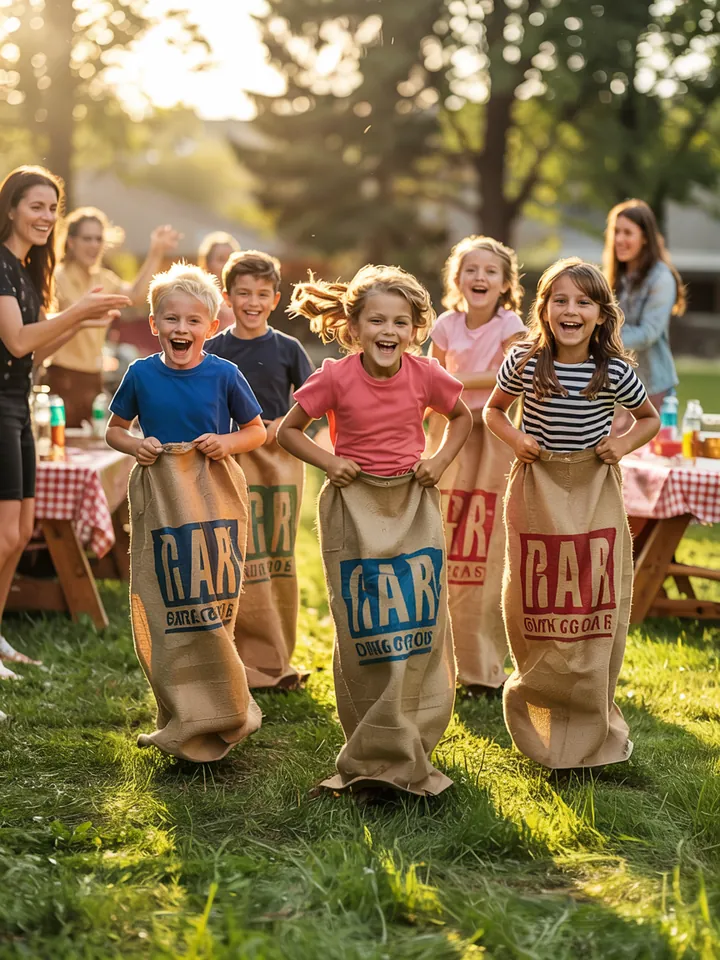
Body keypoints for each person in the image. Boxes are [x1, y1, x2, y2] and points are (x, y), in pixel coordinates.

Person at [278, 264, 472, 798]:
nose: (389, 331)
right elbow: (288, 431)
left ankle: (413, 734)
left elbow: (463, 418)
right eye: (377, 320)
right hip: (355, 506)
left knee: (414, 618)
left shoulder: (425, 373)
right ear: (354, 327)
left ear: (414, 329)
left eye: (400, 322)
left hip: (412, 503)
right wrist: (329, 462)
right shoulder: (335, 377)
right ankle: (369, 740)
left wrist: (438, 460)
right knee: (366, 624)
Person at [484, 258, 660, 770]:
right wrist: (516, 439)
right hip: (537, 487)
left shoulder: (614, 371)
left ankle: (589, 706)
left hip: (592, 490)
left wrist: (621, 445)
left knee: (589, 591)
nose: (571, 310)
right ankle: (539, 696)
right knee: (536, 591)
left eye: (583, 302)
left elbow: (648, 419)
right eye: (560, 300)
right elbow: (493, 410)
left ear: (601, 314)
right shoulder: (524, 361)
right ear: (544, 310)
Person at [105, 262, 267, 759]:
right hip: (161, 496)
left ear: (211, 327)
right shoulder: (140, 374)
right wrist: (137, 445)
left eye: (193, 320)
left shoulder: (225, 374)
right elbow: (115, 430)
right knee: (169, 600)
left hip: (213, 494)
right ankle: (178, 712)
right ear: (154, 324)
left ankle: (223, 703)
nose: (181, 328)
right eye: (171, 319)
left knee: (211, 594)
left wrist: (226, 442)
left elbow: (257, 431)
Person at [0, 166, 130, 680]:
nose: (46, 217)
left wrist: (82, 321)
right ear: (11, 208)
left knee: (21, 532)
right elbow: (16, 340)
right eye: (36, 206)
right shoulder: (0, 264)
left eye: (52, 209)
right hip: (0, 407)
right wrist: (76, 311)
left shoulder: (28, 269)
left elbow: (34, 355)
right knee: (4, 535)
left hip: (17, 402)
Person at [205, 250, 313, 689]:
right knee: (230, 556)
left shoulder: (288, 349)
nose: (252, 302)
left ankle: (273, 657)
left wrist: (277, 426)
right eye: (243, 293)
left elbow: (311, 402)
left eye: (262, 294)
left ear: (275, 299)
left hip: (276, 465)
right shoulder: (214, 349)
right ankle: (231, 657)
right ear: (227, 297)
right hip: (228, 460)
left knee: (273, 558)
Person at [427, 235, 526, 695]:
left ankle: (483, 664)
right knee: (444, 538)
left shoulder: (510, 324)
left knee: (485, 549)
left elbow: (514, 372)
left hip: (493, 435)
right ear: (457, 278)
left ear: (505, 283)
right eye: (470, 269)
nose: (479, 277)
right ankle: (436, 660)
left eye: (490, 271)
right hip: (450, 432)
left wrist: (455, 379)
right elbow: (429, 379)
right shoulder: (446, 324)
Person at [46, 207, 180, 426]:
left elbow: (135, 295)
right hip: (61, 376)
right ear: (71, 242)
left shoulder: (104, 279)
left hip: (94, 379)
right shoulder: (56, 277)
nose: (94, 245)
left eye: (98, 239)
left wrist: (156, 251)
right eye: (87, 238)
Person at [603, 199, 686, 410]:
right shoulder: (615, 276)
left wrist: (601, 340)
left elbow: (648, 333)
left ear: (645, 238)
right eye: (616, 231)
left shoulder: (661, 278)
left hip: (652, 386)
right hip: (619, 384)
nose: (619, 239)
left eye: (628, 233)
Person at [198, 231, 240, 333]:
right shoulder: (199, 296)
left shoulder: (245, 296)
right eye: (221, 259)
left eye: (231, 259)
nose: (227, 265)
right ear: (208, 264)